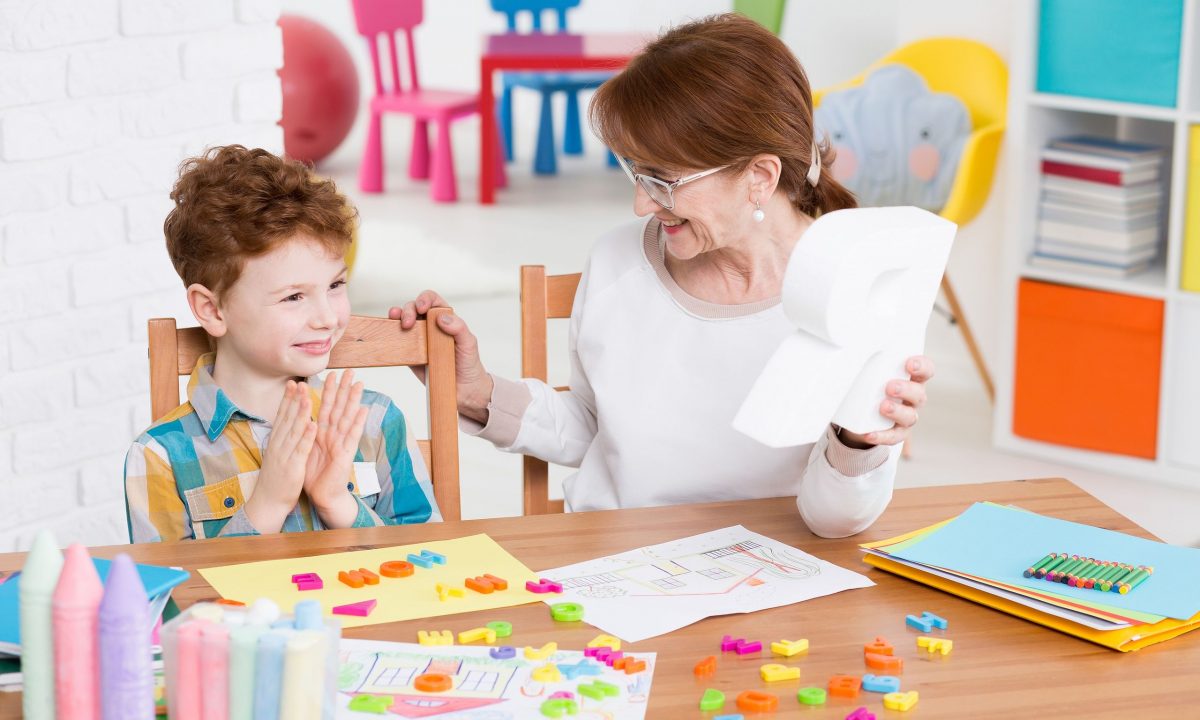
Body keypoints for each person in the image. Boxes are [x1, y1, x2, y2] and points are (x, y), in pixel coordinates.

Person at [393, 14, 933, 538]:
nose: (640, 203)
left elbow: (834, 522)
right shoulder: (614, 264)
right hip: (620, 562)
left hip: (775, 570)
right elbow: (596, 430)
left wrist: (858, 443)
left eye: (663, 178)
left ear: (760, 177)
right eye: (634, 171)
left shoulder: (859, 287)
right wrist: (477, 393)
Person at [124, 145, 437, 543]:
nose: (326, 317)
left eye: (335, 285)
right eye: (293, 297)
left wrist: (339, 503)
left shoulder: (375, 421)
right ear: (213, 310)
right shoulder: (161, 455)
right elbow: (166, 604)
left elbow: (429, 561)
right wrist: (267, 505)